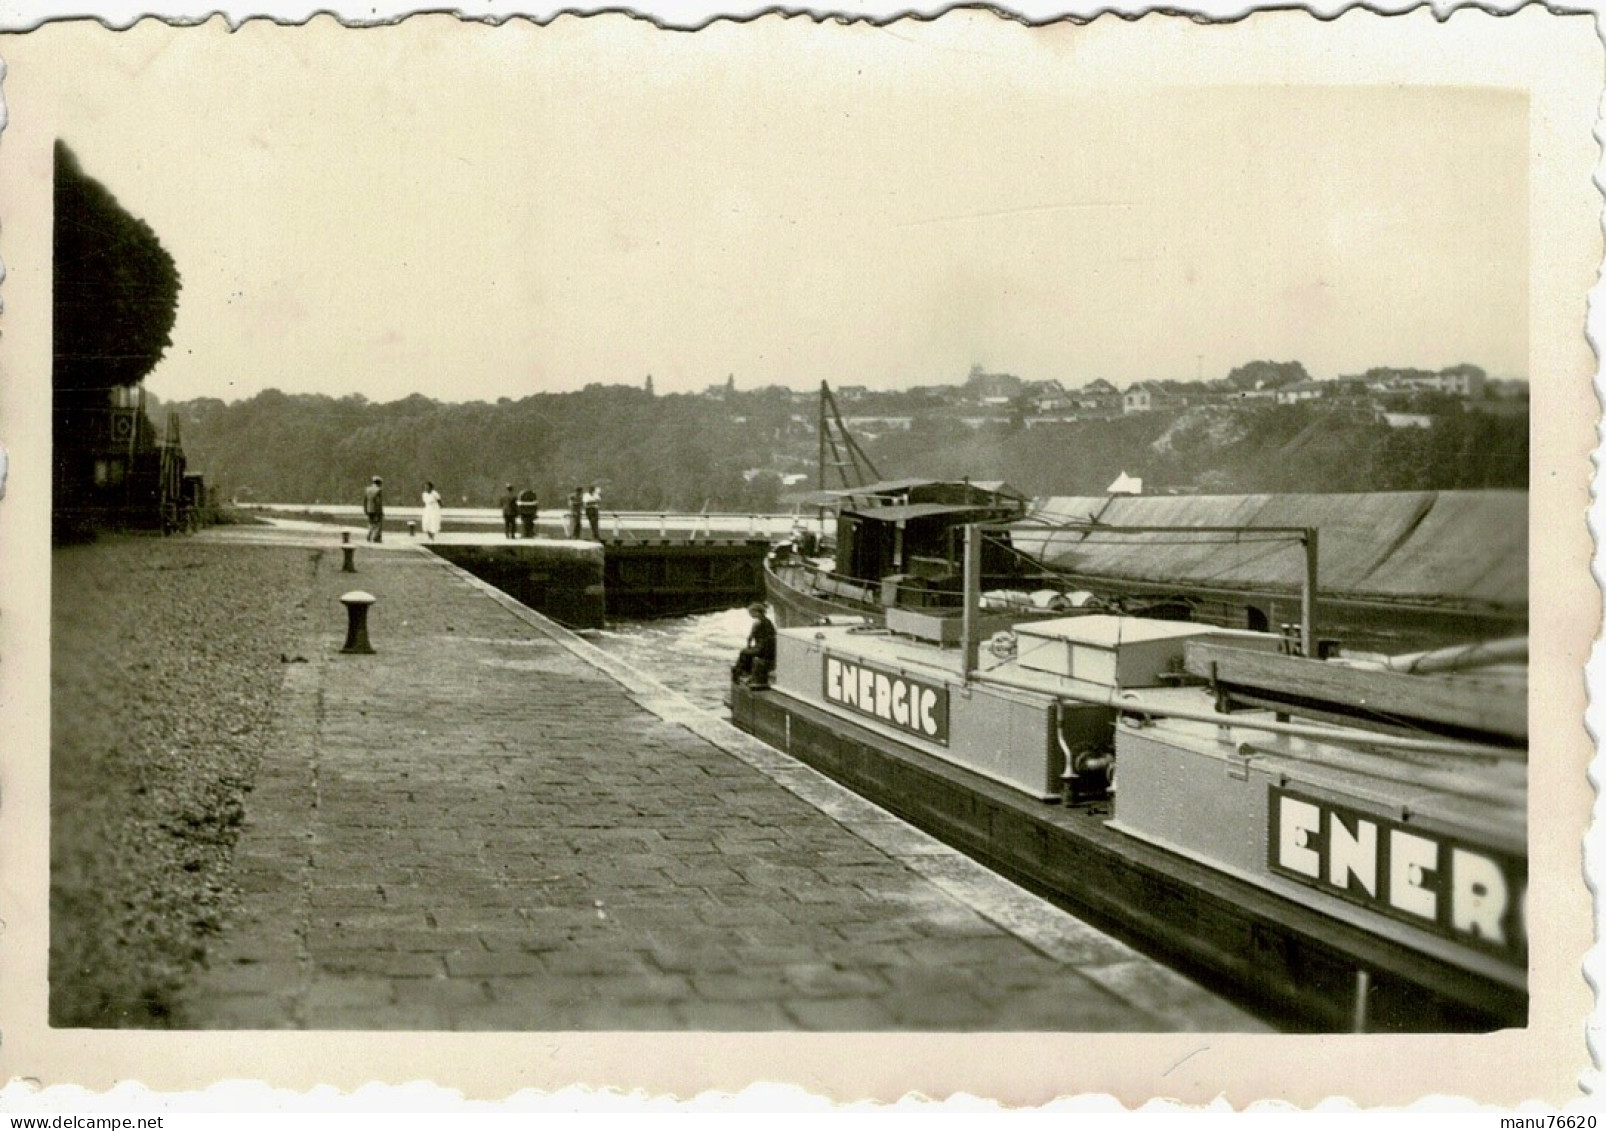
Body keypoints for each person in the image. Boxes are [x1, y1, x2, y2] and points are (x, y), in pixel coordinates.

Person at [732, 602, 776, 688]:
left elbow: (750, 637)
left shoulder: (757, 622)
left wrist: (748, 647)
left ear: (757, 612)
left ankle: (739, 674)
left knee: (744, 653)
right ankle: (747, 673)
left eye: (751, 612)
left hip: (762, 649)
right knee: (749, 652)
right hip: (770, 648)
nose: (750, 614)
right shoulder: (768, 622)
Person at [363, 476, 384, 543]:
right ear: (379, 483)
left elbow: (365, 501)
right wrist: (380, 512)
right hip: (376, 510)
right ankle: (376, 538)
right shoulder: (378, 490)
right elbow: (378, 503)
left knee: (370, 523)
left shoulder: (367, 489)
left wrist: (365, 510)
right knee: (378, 524)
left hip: (369, 510)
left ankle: (368, 536)